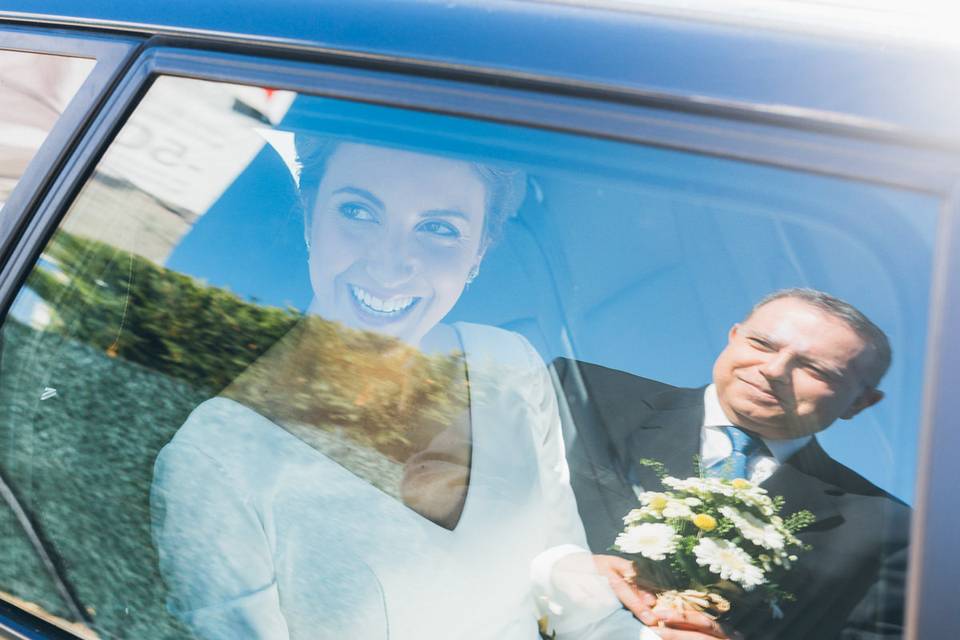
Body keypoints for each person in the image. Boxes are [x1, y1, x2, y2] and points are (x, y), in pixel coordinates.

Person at [150, 132, 655, 639]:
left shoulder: (510, 365)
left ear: (480, 250)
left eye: (438, 228)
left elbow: (561, 575)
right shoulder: (218, 455)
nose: (390, 262)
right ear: (310, 218)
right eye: (359, 213)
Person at [555, 289, 910, 640]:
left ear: (860, 403)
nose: (774, 370)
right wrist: (557, 567)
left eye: (816, 369)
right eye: (762, 344)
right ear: (734, 336)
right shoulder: (578, 395)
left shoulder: (888, 531)